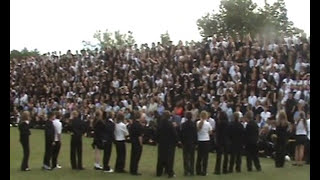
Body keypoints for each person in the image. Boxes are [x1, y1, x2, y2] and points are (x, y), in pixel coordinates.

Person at [155, 111, 178, 178]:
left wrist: (157, 140)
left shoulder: (160, 123)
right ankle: (169, 172)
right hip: (169, 144)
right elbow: (174, 134)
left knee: (160, 157)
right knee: (169, 158)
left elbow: (157, 133)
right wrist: (176, 141)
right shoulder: (170, 124)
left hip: (161, 143)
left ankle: (159, 172)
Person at [180, 111, 197, 176]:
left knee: (185, 157)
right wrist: (195, 142)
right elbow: (195, 134)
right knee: (192, 157)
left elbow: (181, 134)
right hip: (192, 142)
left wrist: (182, 141)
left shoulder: (183, 124)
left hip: (185, 142)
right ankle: (192, 171)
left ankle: (186, 171)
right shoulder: (193, 124)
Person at [196, 111, 212, 176]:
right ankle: (204, 171)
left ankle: (198, 170)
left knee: (199, 156)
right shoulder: (208, 124)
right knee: (205, 157)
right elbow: (210, 132)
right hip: (206, 140)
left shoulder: (197, 123)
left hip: (199, 140)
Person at [214, 110, 230, 175]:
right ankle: (225, 169)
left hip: (220, 140)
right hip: (226, 140)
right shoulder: (227, 123)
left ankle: (217, 170)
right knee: (226, 156)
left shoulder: (218, 123)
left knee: (219, 156)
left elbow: (217, 132)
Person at [129, 111, 143, 176]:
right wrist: (141, 144)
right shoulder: (139, 125)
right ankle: (135, 170)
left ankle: (131, 169)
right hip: (137, 143)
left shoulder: (132, 124)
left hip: (133, 142)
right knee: (137, 157)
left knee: (133, 156)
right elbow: (139, 136)